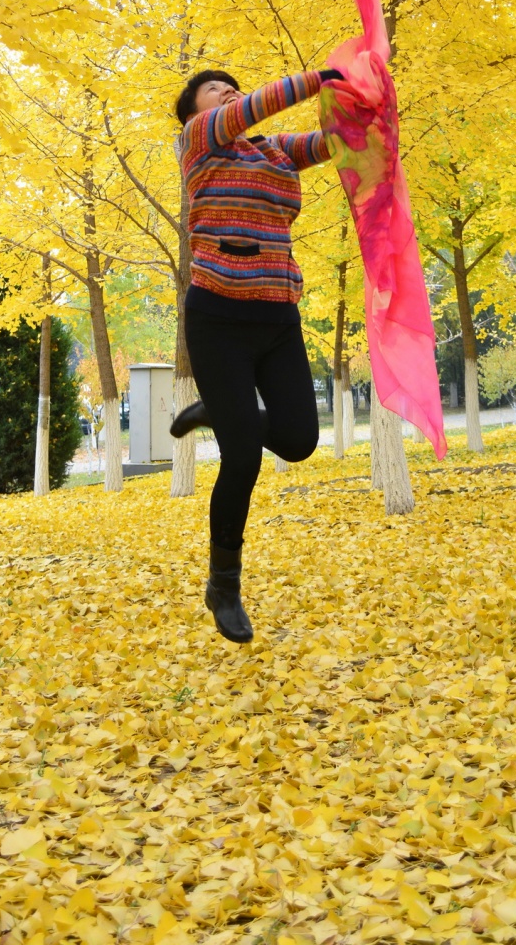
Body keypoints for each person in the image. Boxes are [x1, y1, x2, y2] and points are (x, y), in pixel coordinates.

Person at [171, 65, 343, 644]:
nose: (228, 91)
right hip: (218, 318)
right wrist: (318, 79)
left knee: (298, 441)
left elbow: (332, 142)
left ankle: (220, 411)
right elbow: (253, 108)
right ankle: (224, 585)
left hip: (277, 316)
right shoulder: (198, 141)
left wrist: (368, 104)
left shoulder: (273, 150)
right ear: (195, 111)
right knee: (242, 459)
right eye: (213, 89)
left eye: (231, 85)